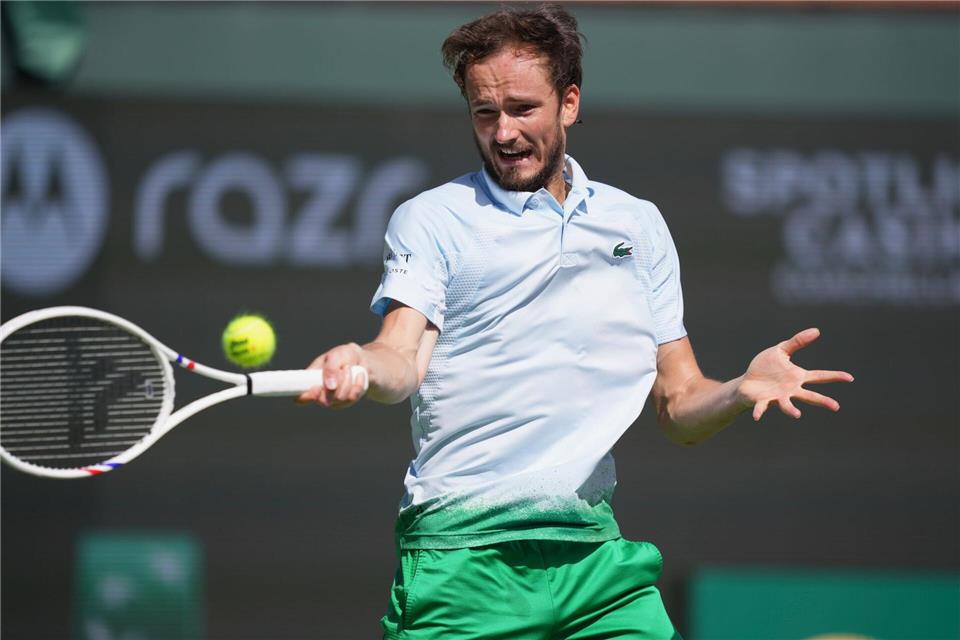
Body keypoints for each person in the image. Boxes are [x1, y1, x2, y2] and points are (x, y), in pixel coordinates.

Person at [297, 5, 853, 639]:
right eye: (485, 113)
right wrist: (361, 365)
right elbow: (400, 359)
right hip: (464, 562)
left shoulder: (636, 226)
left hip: (596, 565)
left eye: (522, 109)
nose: (503, 133)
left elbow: (678, 402)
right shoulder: (431, 219)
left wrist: (736, 390)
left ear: (569, 102)